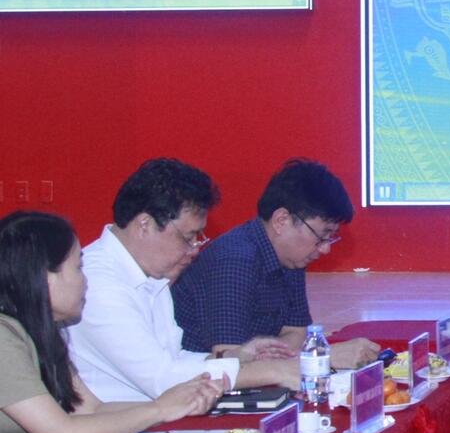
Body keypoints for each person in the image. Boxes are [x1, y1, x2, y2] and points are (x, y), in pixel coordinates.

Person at [68, 159, 300, 402]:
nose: (194, 249)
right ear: (145, 224)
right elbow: (162, 379)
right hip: (117, 420)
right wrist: (273, 371)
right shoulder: (97, 283)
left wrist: (236, 357)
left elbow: (173, 358)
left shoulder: (148, 274)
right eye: (188, 238)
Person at [0, 211, 223, 433]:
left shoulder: (46, 331)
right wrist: (159, 409)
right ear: (44, 278)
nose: (86, 280)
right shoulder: (4, 339)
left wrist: (180, 402)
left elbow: (91, 409)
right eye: (78, 268)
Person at [172, 160, 378, 368]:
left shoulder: (291, 259)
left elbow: (296, 333)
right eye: (321, 236)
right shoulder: (234, 261)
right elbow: (230, 364)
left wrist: (276, 358)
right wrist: (322, 357)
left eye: (331, 238)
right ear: (281, 221)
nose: (325, 249)